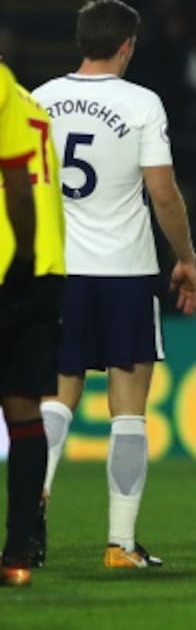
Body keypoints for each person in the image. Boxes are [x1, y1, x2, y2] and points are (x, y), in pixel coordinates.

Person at [33, 0, 196, 569]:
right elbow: (163, 193)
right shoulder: (141, 104)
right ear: (127, 45)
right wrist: (187, 258)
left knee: (55, 401)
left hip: (60, 272)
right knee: (127, 412)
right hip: (125, 273)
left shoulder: (41, 100)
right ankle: (121, 544)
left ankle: (30, 520)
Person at [0, 62, 45, 588]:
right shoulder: (20, 98)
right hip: (27, 269)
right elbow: (23, 186)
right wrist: (29, 261)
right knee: (23, 406)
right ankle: (17, 552)